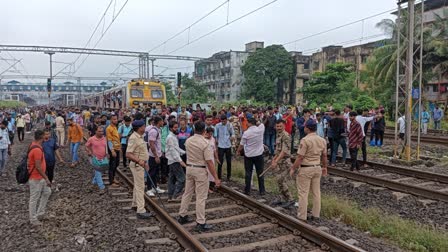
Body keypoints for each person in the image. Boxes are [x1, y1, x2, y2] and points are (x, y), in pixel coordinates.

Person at [177, 121, 221, 231]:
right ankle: (201, 222)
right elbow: (210, 162)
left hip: (189, 168)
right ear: (204, 130)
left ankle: (182, 215)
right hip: (200, 170)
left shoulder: (188, 141)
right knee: (201, 197)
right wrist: (215, 178)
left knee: (187, 193)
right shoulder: (205, 143)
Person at [290, 120, 327, 221]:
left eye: (305, 127)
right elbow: (324, 155)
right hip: (317, 168)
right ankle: (316, 214)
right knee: (316, 192)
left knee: (303, 193)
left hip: (306, 168)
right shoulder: (322, 140)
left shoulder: (305, 140)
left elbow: (300, 157)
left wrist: (293, 168)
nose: (304, 128)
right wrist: (324, 167)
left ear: (307, 128)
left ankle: (302, 216)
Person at [126, 120, 154, 219]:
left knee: (137, 186)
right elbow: (128, 154)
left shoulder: (140, 137)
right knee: (140, 187)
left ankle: (135, 204)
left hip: (141, 165)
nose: (145, 127)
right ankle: (141, 210)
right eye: (143, 126)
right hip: (137, 165)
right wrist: (140, 161)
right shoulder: (134, 138)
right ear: (139, 128)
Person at [28, 130, 52, 226]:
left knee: (47, 192)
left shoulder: (33, 145)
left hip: (39, 176)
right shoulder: (37, 149)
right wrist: (46, 178)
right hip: (36, 177)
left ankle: (40, 213)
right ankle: (33, 219)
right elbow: (38, 166)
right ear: (42, 137)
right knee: (34, 198)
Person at [237, 118, 266, 196]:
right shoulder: (261, 129)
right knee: (260, 173)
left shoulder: (246, 133)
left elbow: (241, 145)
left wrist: (238, 151)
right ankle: (262, 190)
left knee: (248, 173)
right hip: (259, 154)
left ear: (249, 123)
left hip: (249, 155)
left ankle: (247, 190)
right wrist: (258, 122)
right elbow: (261, 123)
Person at [270, 120, 293, 207]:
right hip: (279, 161)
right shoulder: (278, 135)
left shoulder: (286, 135)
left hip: (285, 162)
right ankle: (282, 198)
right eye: (277, 126)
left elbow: (284, 152)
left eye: (280, 126)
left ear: (284, 126)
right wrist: (273, 160)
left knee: (281, 180)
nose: (278, 128)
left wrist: (276, 161)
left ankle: (290, 199)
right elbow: (278, 151)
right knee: (278, 180)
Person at [165, 121, 187, 202]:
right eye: (175, 127)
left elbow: (176, 148)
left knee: (172, 179)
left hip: (172, 160)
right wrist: (180, 161)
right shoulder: (170, 137)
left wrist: (184, 152)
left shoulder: (173, 136)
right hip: (174, 161)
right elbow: (172, 150)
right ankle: (176, 195)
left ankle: (170, 196)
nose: (177, 128)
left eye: (177, 127)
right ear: (171, 128)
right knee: (182, 179)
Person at [146, 116, 165, 196]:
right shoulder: (153, 131)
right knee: (151, 172)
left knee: (156, 172)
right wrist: (156, 156)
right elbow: (152, 144)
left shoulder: (158, 130)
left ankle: (155, 187)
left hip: (157, 154)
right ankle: (149, 188)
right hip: (153, 156)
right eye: (162, 121)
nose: (163, 122)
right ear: (159, 122)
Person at [86, 125, 108, 193]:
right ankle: (102, 187)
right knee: (98, 172)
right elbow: (86, 146)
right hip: (95, 158)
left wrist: (107, 154)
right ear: (95, 131)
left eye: (102, 131)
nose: (101, 133)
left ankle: (93, 184)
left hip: (103, 158)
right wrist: (89, 152)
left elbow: (106, 147)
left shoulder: (104, 138)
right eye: (99, 131)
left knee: (99, 172)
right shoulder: (91, 139)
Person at [214, 114, 234, 181]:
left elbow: (233, 133)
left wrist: (232, 137)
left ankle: (229, 176)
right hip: (221, 145)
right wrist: (216, 139)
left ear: (226, 120)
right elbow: (215, 134)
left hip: (228, 145)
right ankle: (219, 176)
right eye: (222, 121)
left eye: (224, 121)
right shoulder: (217, 126)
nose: (223, 122)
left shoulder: (229, 125)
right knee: (220, 161)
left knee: (229, 162)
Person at [106, 115, 121, 187]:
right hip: (113, 149)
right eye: (114, 119)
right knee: (112, 165)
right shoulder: (109, 128)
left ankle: (113, 177)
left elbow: (116, 138)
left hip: (117, 148)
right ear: (111, 120)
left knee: (116, 164)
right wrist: (112, 150)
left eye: (116, 119)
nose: (116, 120)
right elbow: (109, 140)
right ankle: (111, 181)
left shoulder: (115, 127)